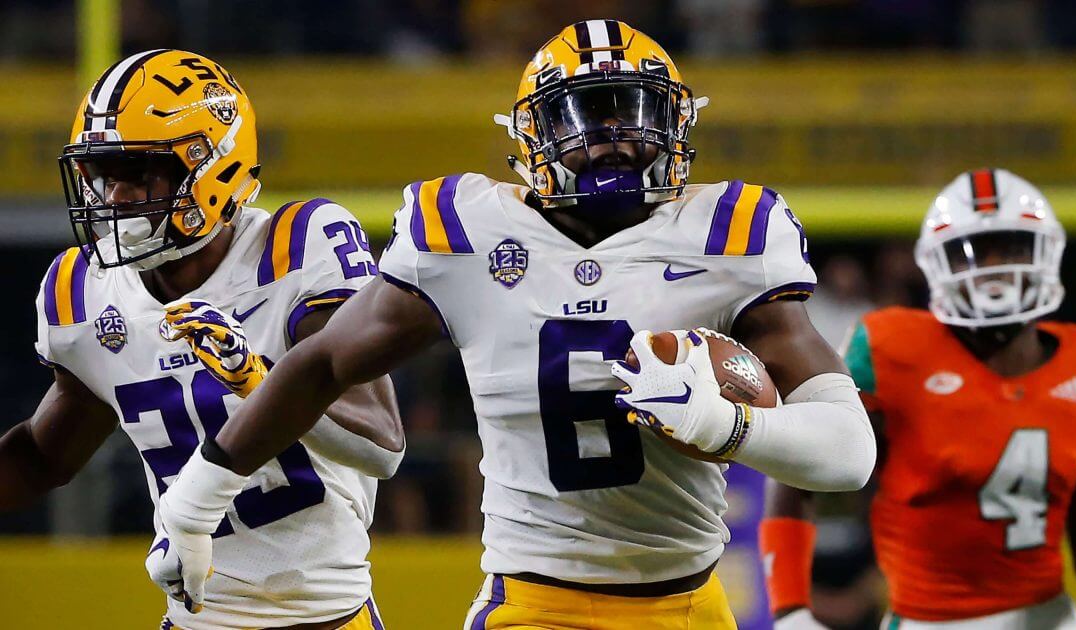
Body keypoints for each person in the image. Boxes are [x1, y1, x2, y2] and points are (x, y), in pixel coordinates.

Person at [156, 21, 876, 629]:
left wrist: (726, 426)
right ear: (532, 131)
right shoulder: (466, 234)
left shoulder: (727, 238)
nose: (614, 140)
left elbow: (848, 452)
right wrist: (193, 504)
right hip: (535, 603)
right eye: (586, 117)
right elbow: (319, 365)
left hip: (689, 600)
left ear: (676, 125)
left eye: (633, 112)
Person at [0, 50, 404, 629]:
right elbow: (43, 456)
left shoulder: (297, 249)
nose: (114, 198)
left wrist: (260, 380)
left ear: (212, 166)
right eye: (103, 175)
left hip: (325, 617)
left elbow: (382, 444)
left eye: (138, 174)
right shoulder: (85, 291)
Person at [760, 169, 1076, 629]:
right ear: (938, 264)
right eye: (974, 253)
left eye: (1012, 247)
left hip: (1048, 617)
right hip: (928, 619)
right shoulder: (891, 348)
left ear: (1045, 253)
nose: (995, 268)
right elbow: (796, 475)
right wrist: (789, 609)